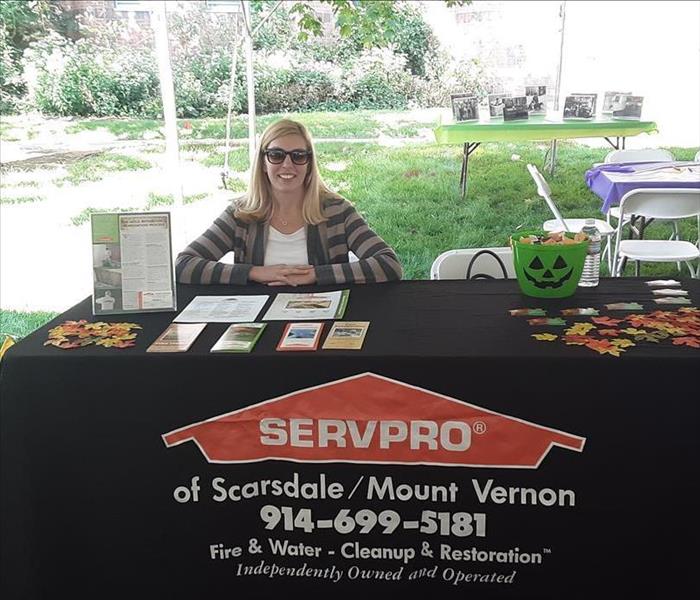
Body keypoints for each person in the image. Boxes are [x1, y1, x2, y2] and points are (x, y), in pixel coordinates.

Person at [176, 119, 402, 286]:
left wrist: (316, 275)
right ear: (263, 163)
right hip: (257, 323)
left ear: (309, 163)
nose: (287, 165)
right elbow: (184, 265)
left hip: (322, 318)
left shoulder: (336, 211)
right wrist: (255, 272)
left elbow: (388, 264)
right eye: (276, 155)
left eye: (298, 156)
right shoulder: (241, 214)